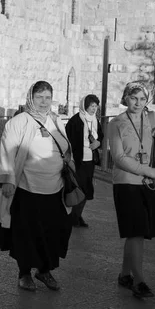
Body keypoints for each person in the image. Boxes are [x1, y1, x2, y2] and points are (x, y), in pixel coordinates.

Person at [0, 81, 73, 292]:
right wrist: (8, 180)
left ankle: (44, 270)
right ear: (31, 98)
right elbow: (7, 150)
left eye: (48, 97)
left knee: (52, 231)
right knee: (27, 233)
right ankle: (24, 273)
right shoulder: (20, 121)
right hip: (27, 188)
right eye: (40, 97)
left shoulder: (56, 121)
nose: (44, 102)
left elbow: (65, 148)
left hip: (55, 188)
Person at [108, 82, 155, 299]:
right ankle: (138, 282)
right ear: (125, 98)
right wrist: (148, 171)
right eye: (133, 98)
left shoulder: (153, 118)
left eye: (142, 99)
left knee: (137, 232)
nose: (138, 103)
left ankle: (124, 274)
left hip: (149, 182)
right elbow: (119, 158)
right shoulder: (116, 123)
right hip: (126, 182)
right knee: (136, 232)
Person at [64, 94, 104, 228]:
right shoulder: (76, 120)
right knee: (78, 188)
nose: (94, 109)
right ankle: (73, 216)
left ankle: (77, 215)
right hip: (78, 160)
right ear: (85, 106)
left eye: (95, 106)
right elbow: (67, 139)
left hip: (90, 161)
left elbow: (101, 136)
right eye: (91, 106)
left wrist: (98, 143)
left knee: (86, 188)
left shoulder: (95, 120)